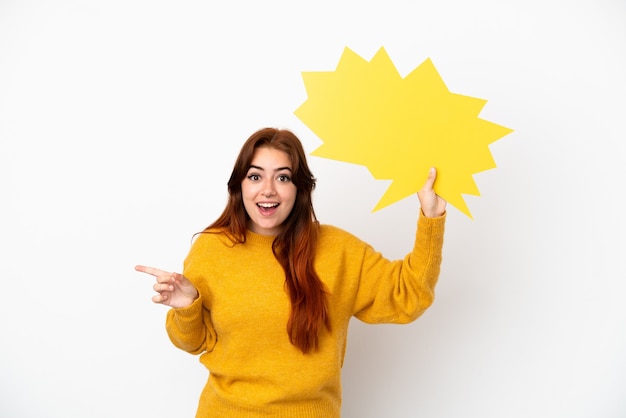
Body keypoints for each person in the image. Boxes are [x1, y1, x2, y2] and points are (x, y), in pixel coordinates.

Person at [135, 127, 447, 418]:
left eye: (282, 178)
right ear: (239, 186)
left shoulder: (338, 251)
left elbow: (409, 296)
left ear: (299, 187)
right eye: (255, 177)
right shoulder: (212, 248)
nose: (267, 190)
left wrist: (431, 218)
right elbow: (193, 343)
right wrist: (187, 307)